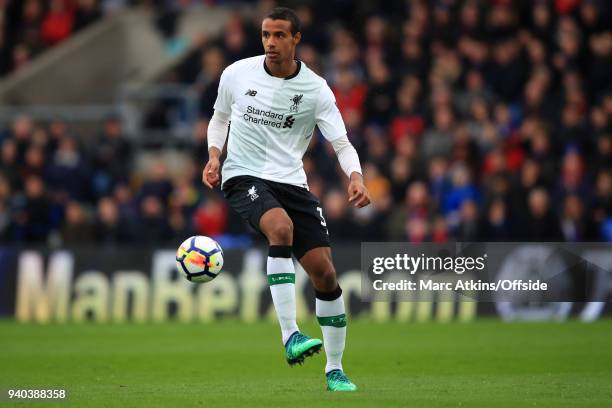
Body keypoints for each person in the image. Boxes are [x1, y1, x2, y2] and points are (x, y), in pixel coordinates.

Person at [202, 7, 370, 392]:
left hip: (292, 184)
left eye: (279, 35)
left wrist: (356, 178)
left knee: (325, 274)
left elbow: (341, 142)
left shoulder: (315, 89)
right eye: (265, 35)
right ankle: (290, 335)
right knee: (280, 228)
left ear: (296, 39)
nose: (271, 43)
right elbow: (219, 118)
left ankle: (334, 370)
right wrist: (214, 155)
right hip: (243, 174)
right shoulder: (236, 74)